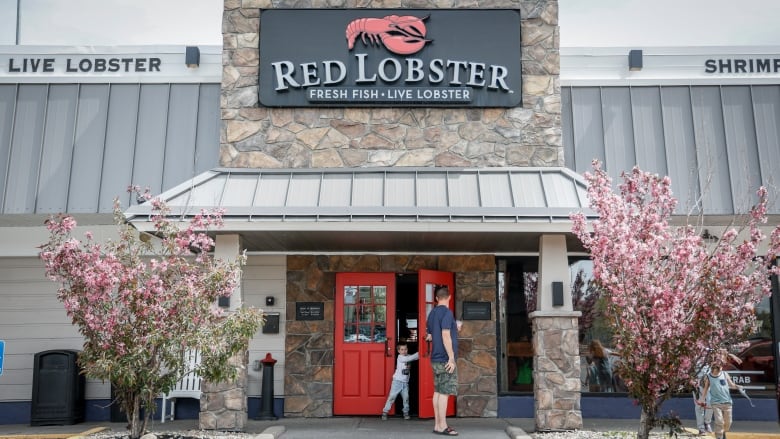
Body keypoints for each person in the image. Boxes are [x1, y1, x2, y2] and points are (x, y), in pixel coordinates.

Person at [426, 285, 459, 436]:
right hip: (445, 359)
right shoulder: (447, 312)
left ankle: (437, 425)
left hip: (435, 358)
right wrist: (451, 358)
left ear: (436, 298)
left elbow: (431, 336)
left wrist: (454, 328)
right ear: (450, 297)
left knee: (438, 392)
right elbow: (445, 335)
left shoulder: (432, 314)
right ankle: (443, 426)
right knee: (444, 393)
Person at [699, 357, 744, 439]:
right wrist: (702, 399)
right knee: (719, 421)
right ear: (714, 367)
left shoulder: (725, 374)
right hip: (716, 403)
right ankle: (719, 436)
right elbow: (705, 390)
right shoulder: (708, 377)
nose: (721, 367)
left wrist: (738, 387)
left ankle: (723, 432)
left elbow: (731, 385)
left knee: (728, 422)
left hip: (727, 402)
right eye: (719, 366)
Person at [381, 342, 419, 420]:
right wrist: (419, 352)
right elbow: (409, 358)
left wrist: (421, 353)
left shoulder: (408, 356)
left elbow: (415, 357)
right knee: (392, 396)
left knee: (406, 397)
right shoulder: (400, 357)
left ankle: (406, 412)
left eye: (405, 349)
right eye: (402, 349)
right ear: (398, 351)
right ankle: (385, 412)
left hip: (405, 382)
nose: (404, 351)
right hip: (397, 381)